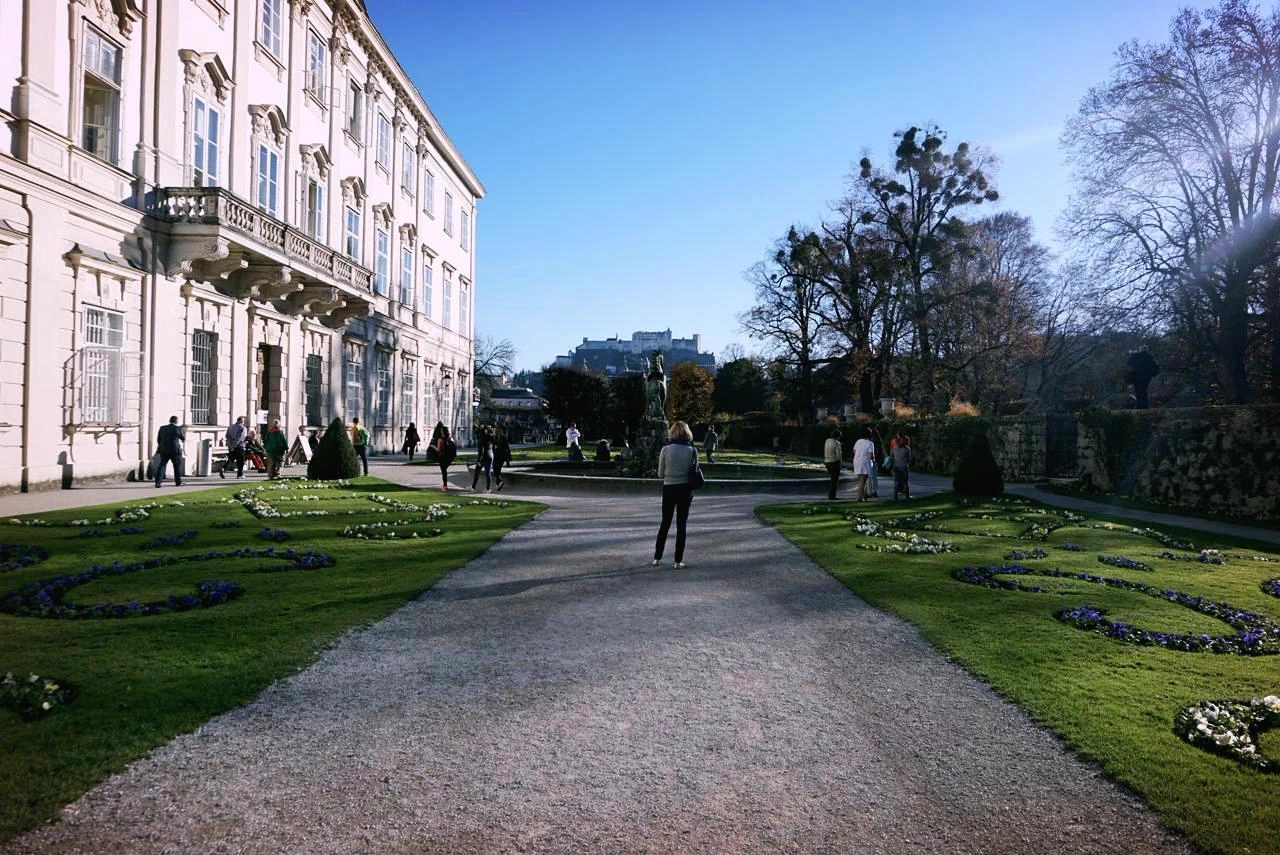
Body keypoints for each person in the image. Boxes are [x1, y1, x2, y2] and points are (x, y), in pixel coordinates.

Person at [652, 420, 698, 569]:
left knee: (665, 523)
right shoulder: (692, 450)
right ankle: (678, 561)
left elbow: (660, 474)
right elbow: (695, 471)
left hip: (669, 488)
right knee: (681, 525)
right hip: (685, 489)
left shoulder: (666, 449)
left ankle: (657, 558)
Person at [154, 415, 185, 487]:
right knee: (176, 467)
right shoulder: (177, 428)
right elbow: (183, 438)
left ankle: (158, 482)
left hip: (164, 450)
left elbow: (158, 440)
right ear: (176, 421)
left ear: (170, 420)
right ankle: (178, 482)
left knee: (162, 466)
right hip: (175, 451)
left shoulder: (162, 428)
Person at [852, 426, 877, 501]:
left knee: (862, 479)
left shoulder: (858, 441)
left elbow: (854, 451)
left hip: (857, 461)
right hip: (865, 462)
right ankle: (860, 497)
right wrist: (874, 459)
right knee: (863, 480)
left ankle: (864, 495)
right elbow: (871, 455)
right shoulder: (870, 443)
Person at [471, 424, 494, 491]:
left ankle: (473, 487)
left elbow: (481, 451)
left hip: (484, 457)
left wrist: (478, 460)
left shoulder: (482, 438)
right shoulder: (490, 437)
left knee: (477, 471)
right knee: (488, 472)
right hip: (490, 455)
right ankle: (488, 488)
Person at [434, 425, 457, 491]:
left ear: (442, 432)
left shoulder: (440, 440)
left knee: (444, 471)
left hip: (442, 457)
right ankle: (445, 485)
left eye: (441, 431)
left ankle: (445, 486)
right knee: (444, 471)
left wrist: (433, 446)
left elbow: (438, 450)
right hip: (450, 458)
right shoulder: (450, 438)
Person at [823, 427, 843, 500]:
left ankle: (830, 495)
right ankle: (832, 496)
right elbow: (838, 455)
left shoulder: (827, 440)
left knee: (832, 479)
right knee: (834, 480)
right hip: (834, 462)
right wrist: (840, 462)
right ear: (838, 436)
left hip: (827, 461)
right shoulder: (837, 443)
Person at [891, 431, 912, 500]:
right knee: (905, 481)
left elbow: (892, 457)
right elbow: (909, 459)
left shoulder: (895, 449)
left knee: (896, 481)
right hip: (904, 466)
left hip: (896, 466)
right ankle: (907, 496)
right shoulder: (907, 449)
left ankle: (895, 496)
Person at [492, 427, 512, 492]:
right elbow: (507, 447)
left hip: (497, 456)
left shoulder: (496, 438)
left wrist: (494, 451)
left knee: (495, 470)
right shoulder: (503, 437)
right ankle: (498, 483)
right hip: (503, 456)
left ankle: (500, 481)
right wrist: (508, 460)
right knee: (498, 469)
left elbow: (494, 447)